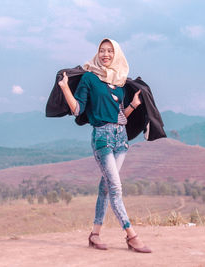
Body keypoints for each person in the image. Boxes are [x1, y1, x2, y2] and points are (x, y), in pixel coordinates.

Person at [58, 38, 152, 253]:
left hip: (121, 139)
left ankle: (94, 235)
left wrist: (133, 105)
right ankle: (131, 235)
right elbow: (77, 109)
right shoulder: (90, 78)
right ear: (97, 54)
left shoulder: (119, 83)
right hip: (102, 138)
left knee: (106, 188)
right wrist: (65, 88)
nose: (106, 54)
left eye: (110, 51)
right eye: (102, 51)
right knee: (116, 188)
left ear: (116, 54)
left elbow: (120, 117)